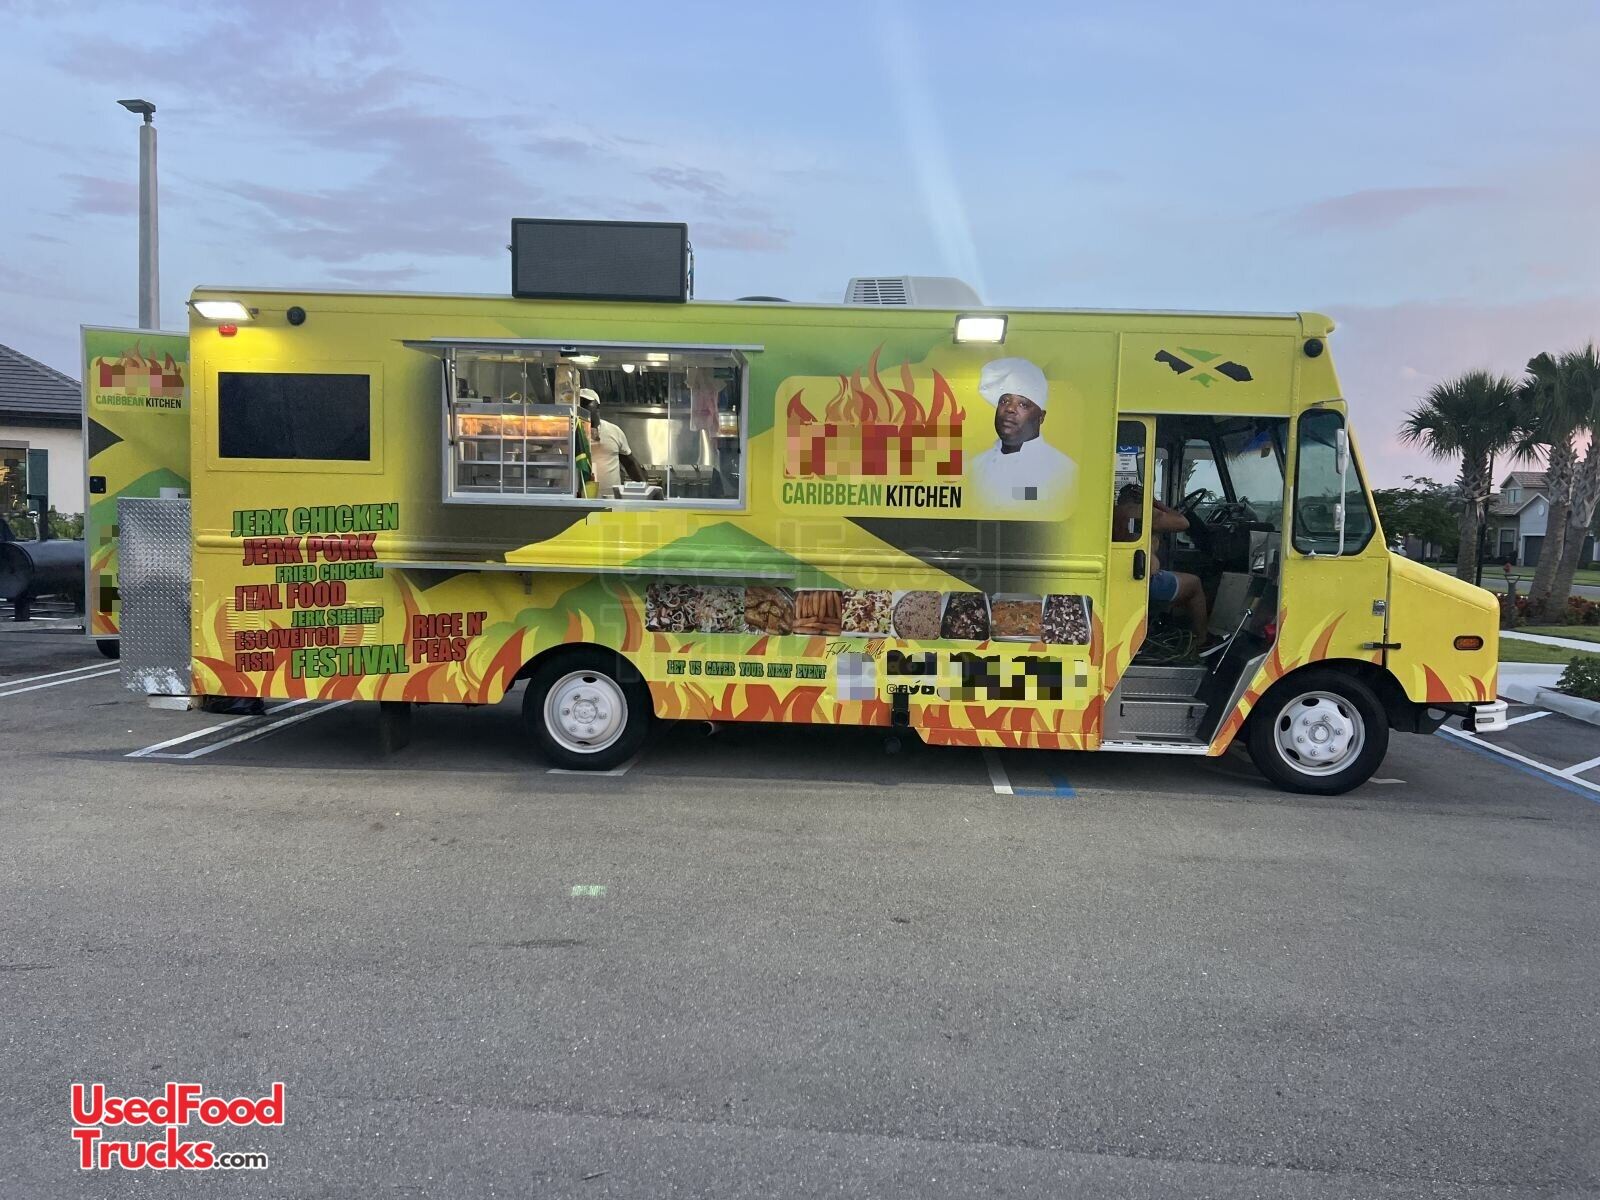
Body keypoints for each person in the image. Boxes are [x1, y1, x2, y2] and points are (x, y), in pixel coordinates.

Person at [969, 358, 1076, 510]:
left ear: (1041, 417)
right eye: (1004, 401)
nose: (1010, 409)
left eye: (1023, 404)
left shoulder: (1064, 472)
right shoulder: (974, 467)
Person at [1113, 483, 1209, 643]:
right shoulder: (1145, 512)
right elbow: (1183, 522)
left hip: (1117, 578)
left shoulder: (1112, 513)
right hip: (1143, 580)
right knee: (1194, 584)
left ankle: (1165, 627)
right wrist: (1155, 502)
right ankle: (1202, 641)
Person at [577, 388, 646, 496]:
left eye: (586, 403)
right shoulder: (573, 433)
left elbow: (630, 464)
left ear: (597, 407)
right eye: (578, 404)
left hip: (611, 500)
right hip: (578, 500)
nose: (581, 408)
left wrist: (644, 489)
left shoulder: (614, 431)